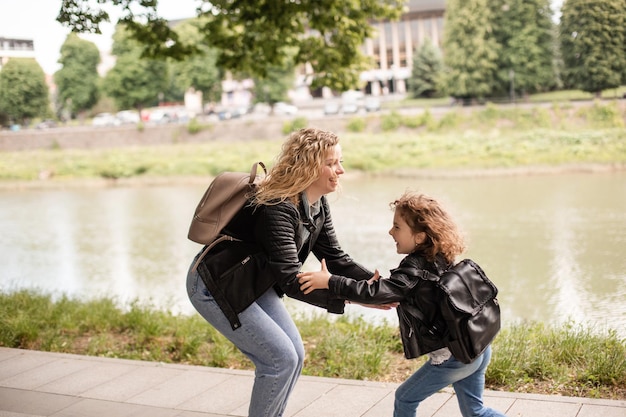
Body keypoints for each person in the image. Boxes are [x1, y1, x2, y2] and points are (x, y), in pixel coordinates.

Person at [186, 127, 383, 417]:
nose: (340, 170)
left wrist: (381, 288)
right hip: (216, 285)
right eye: (331, 163)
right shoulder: (277, 207)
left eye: (340, 161)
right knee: (279, 360)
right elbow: (291, 281)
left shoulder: (316, 204)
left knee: (294, 356)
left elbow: (336, 258)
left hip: (254, 282)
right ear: (308, 166)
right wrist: (357, 296)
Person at [298, 191, 508, 417]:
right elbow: (389, 290)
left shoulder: (414, 269)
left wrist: (330, 281)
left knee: (405, 399)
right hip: (477, 347)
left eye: (397, 227)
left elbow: (377, 292)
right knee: (476, 411)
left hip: (454, 357)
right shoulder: (441, 256)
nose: (390, 231)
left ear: (419, 237)